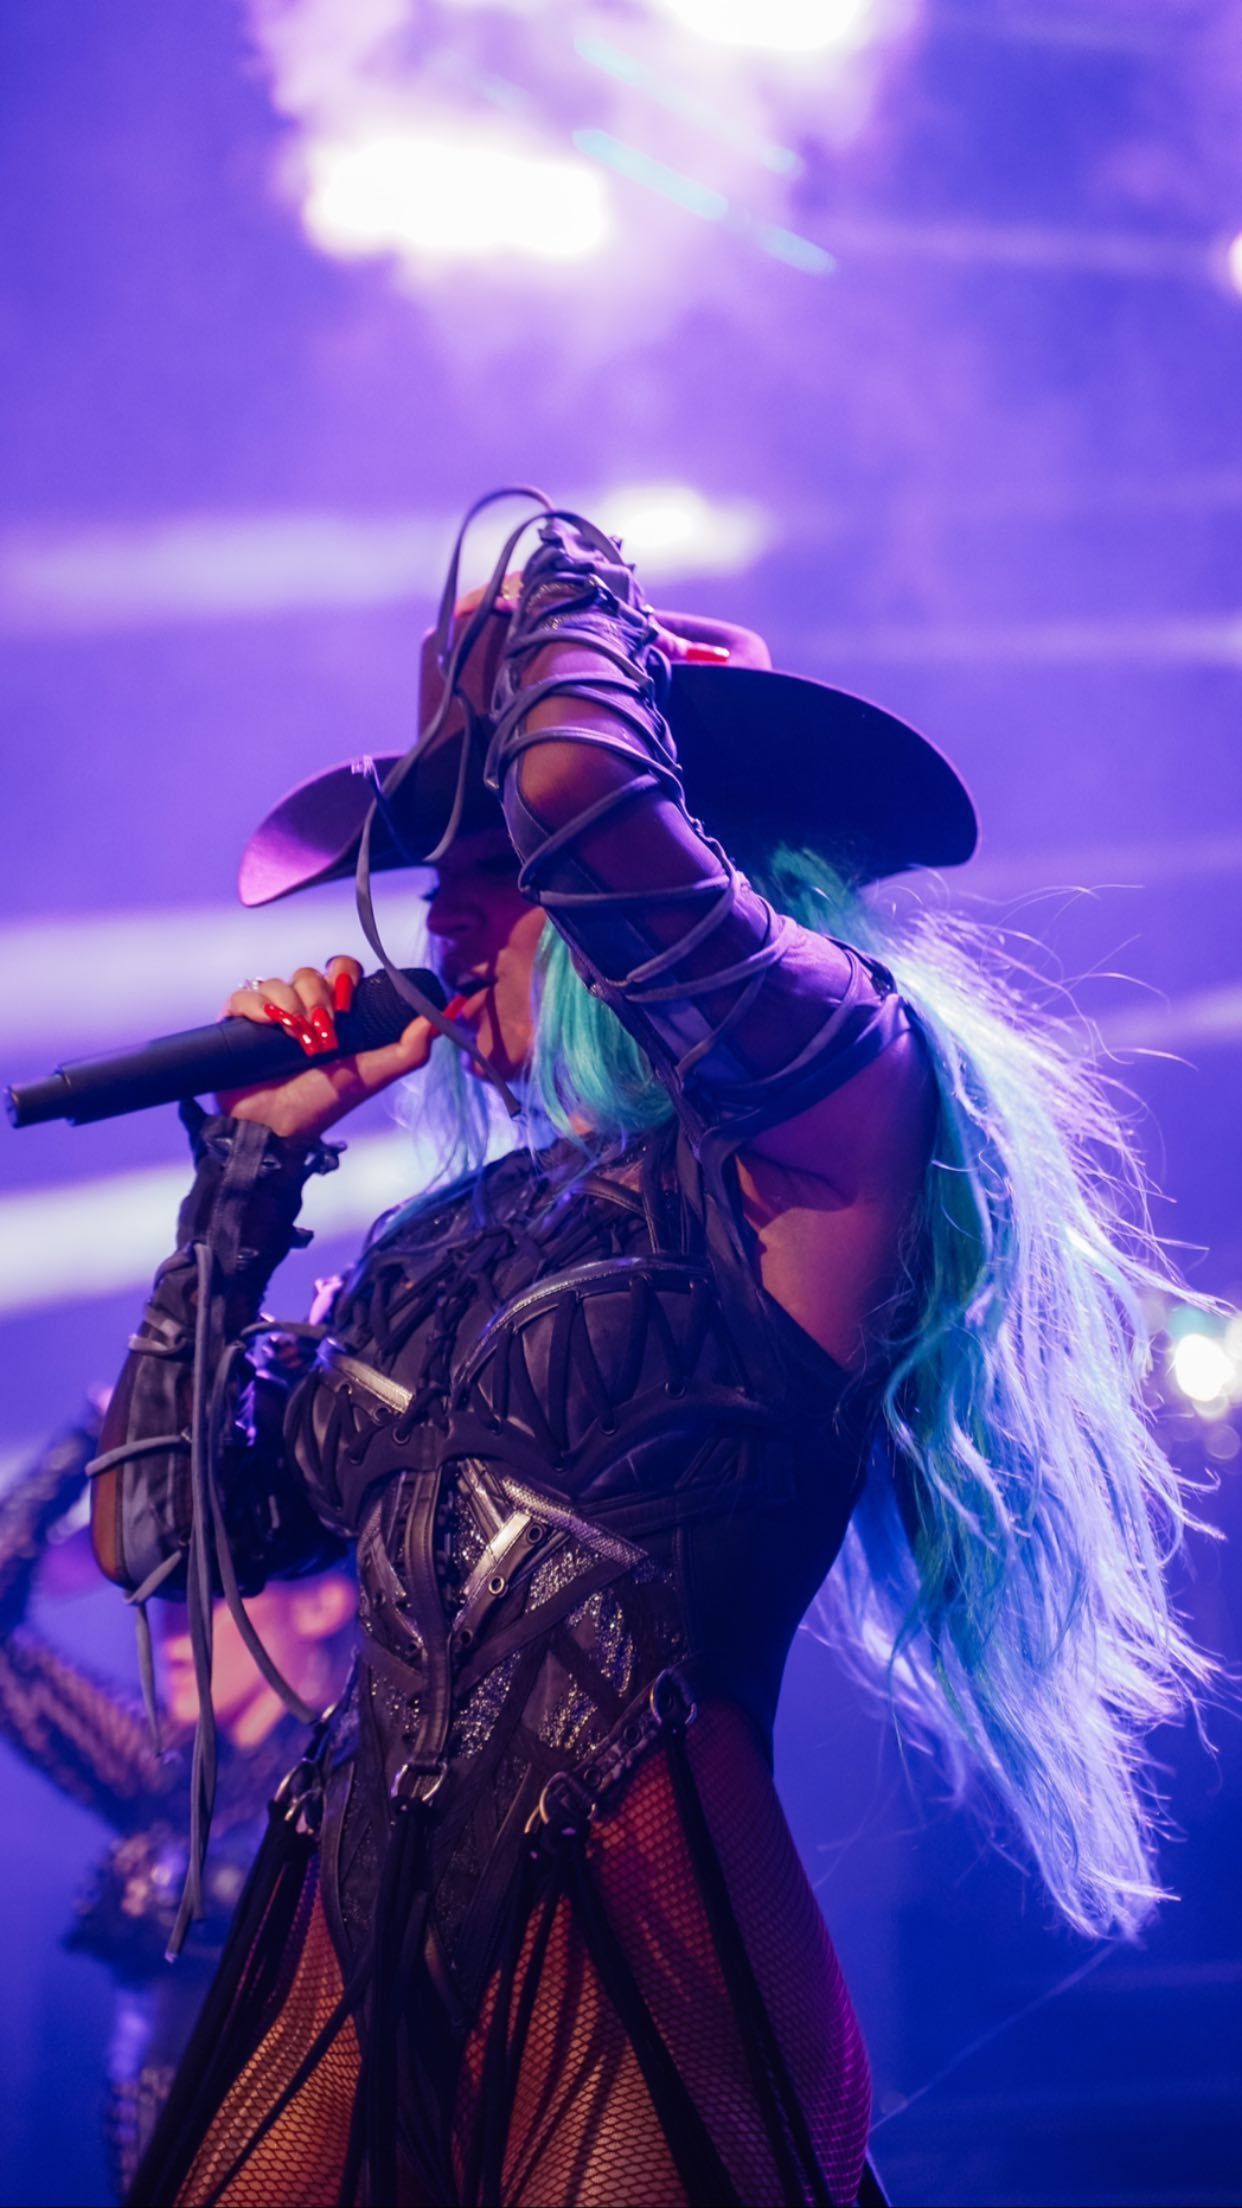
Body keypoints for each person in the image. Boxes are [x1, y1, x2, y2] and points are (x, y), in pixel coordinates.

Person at [91, 493, 1210, 2208]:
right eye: (442, 877)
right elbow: (159, 1534)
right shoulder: (435, 1251)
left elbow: (583, 801)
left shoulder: (832, 1123)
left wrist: (566, 593)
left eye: (494, 875)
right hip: (347, 1962)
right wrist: (245, 1174)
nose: (446, 919)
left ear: (683, 861)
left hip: (634, 1948)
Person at [0, 1400, 354, 2195]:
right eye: (159, 1596)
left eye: (209, 1595)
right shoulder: (165, 1774)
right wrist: (84, 1444)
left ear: (320, 1603)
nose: (171, 1631)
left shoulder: (368, 1764)